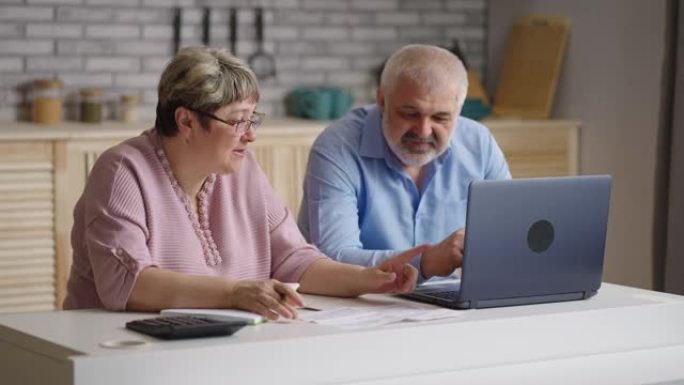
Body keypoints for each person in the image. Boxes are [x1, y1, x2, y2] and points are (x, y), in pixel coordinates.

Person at [63, 46, 427, 320]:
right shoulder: (122, 171)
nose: (250, 135)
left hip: (218, 346)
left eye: (254, 119)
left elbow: (293, 259)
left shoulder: (241, 169)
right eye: (238, 121)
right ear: (186, 121)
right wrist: (235, 293)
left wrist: (367, 279)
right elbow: (129, 285)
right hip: (119, 353)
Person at [298, 44, 511, 282]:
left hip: (453, 303)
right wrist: (426, 262)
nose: (423, 130)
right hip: (361, 302)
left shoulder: (479, 143)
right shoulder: (337, 147)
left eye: (441, 117)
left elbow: (509, 236)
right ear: (382, 100)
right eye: (410, 114)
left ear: (458, 110)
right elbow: (332, 257)